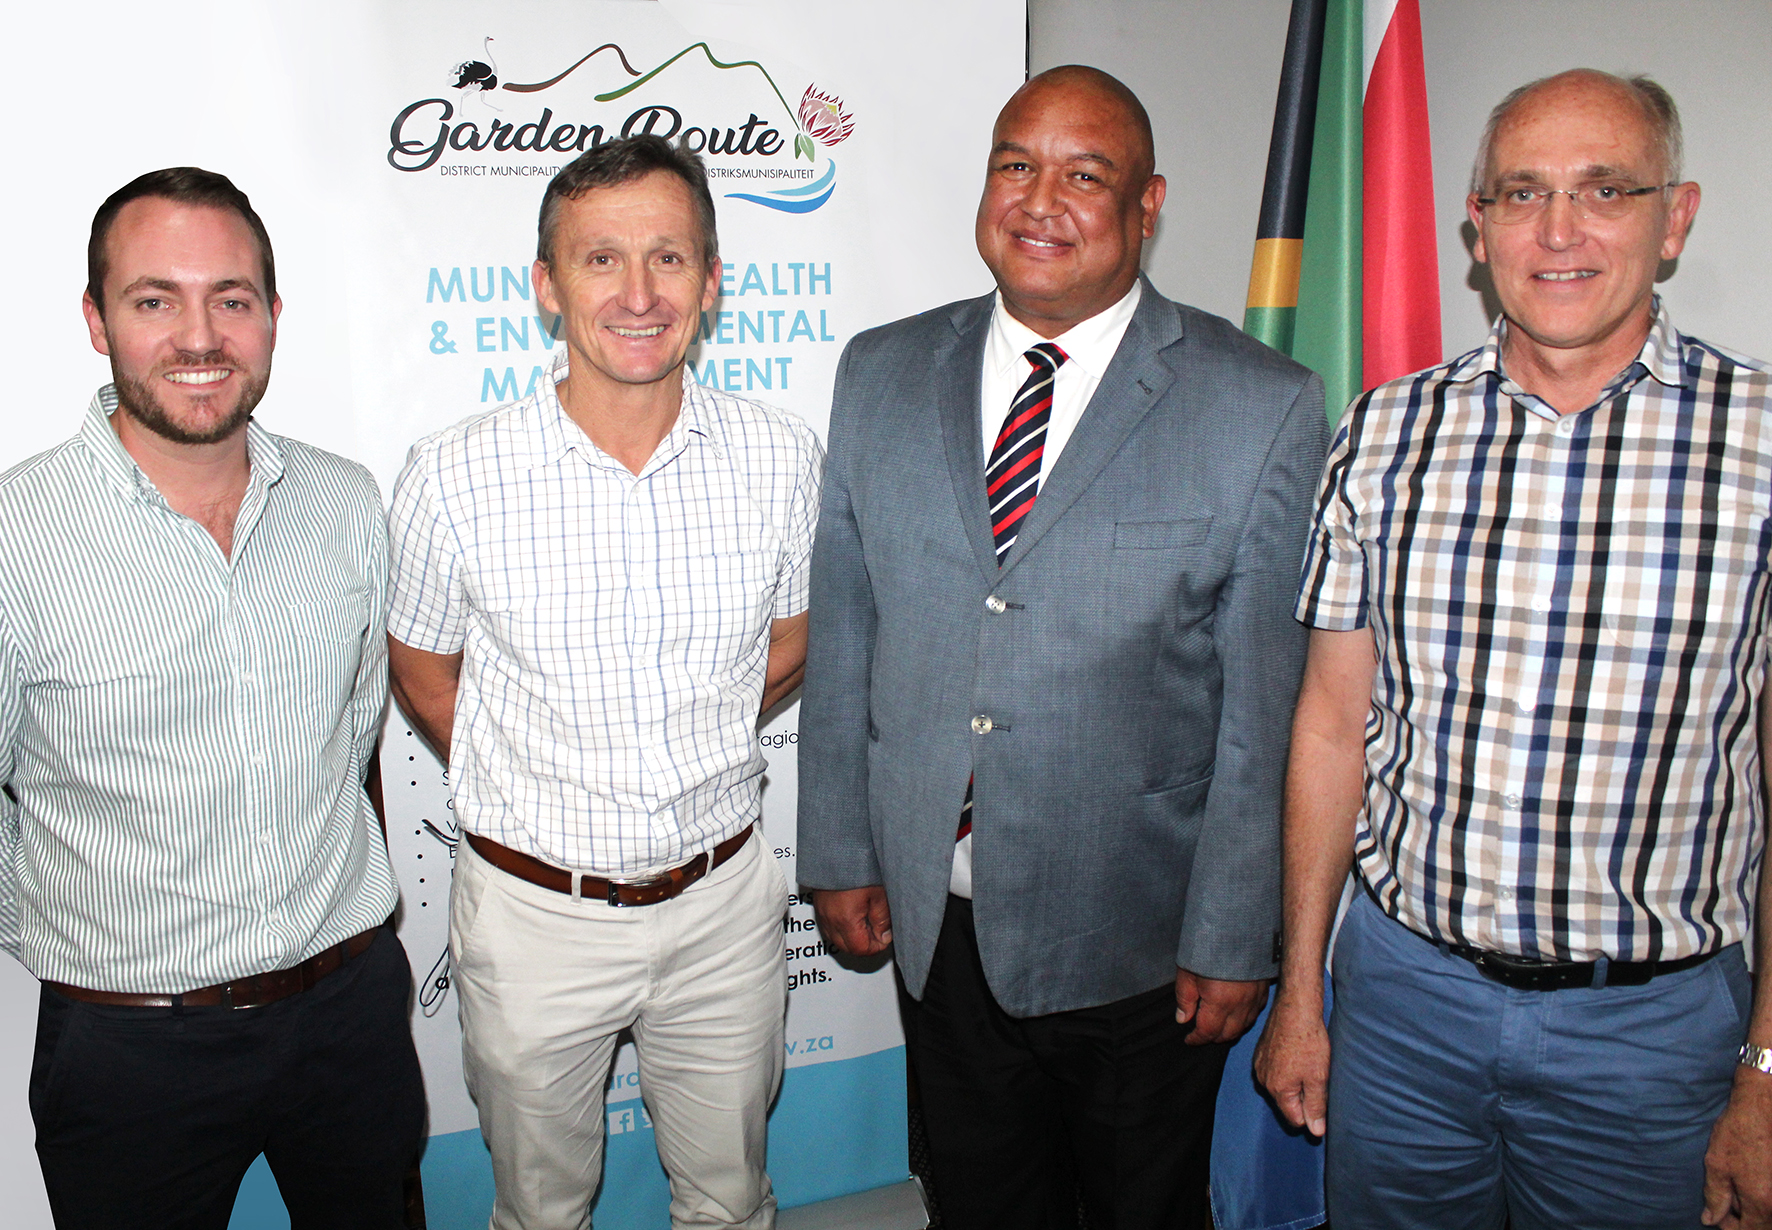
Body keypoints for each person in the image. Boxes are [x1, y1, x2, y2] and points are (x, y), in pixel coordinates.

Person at [797, 65, 1326, 1229]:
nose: (1039, 201)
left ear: (1147, 204)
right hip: (939, 930)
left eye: (1084, 175)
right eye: (1015, 166)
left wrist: (1234, 934)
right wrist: (837, 847)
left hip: (1141, 949)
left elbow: (1262, 711)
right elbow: (846, 631)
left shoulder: (1258, 404)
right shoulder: (880, 371)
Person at [1254, 69, 1772, 1229]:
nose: (1558, 230)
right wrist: (1301, 991)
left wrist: (1768, 1066)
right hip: (1401, 1009)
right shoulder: (1383, 432)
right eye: (1521, 192)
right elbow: (1330, 728)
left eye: (1604, 190)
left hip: (1651, 1039)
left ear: (1673, 217)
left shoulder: (1758, 445)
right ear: (1475, 226)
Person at [386, 134, 819, 1230]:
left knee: (730, 1203)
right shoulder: (452, 473)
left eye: (668, 257)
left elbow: (794, 636)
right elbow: (424, 670)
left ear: (711, 283)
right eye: (600, 259)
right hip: (533, 919)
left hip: (722, 910)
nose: (638, 293)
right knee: (540, 1213)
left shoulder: (782, 457)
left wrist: (693, 733)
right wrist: (542, 776)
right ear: (547, 285)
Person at [0, 167, 424, 1227]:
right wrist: (71, 936)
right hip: (130, 1050)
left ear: (272, 316)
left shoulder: (344, 502)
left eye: (230, 299)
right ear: (96, 321)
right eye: (155, 300)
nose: (200, 337)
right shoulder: (16, 536)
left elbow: (353, 737)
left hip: (351, 1014)